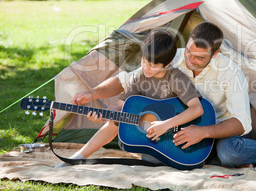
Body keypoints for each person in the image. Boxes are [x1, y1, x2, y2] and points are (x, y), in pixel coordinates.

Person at [121, 22, 256, 168]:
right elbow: (130, 78)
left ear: (215, 54)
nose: (190, 60)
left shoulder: (231, 72)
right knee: (152, 159)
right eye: (189, 52)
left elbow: (242, 122)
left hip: (218, 132)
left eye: (199, 57)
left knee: (230, 154)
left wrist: (204, 132)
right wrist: (96, 93)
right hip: (176, 129)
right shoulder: (173, 57)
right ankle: (211, 159)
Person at [55, 30, 203, 167]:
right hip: (149, 134)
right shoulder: (139, 77)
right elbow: (119, 105)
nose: (146, 68)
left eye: (153, 65)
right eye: (144, 61)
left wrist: (165, 125)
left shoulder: (176, 78)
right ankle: (76, 158)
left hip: (172, 138)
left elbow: (197, 109)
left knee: (152, 160)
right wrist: (104, 115)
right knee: (117, 119)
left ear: (168, 64)